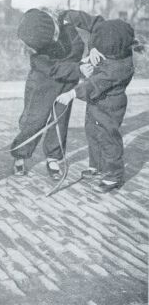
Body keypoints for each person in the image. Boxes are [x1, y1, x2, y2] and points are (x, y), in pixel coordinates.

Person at [56, 10, 140, 193]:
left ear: (112, 49)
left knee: (109, 139)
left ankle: (113, 175)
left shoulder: (118, 68)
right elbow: (96, 32)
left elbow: (94, 84)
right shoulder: (115, 46)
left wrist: (71, 94)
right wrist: (92, 52)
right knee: (93, 134)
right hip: (96, 106)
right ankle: (97, 166)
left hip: (110, 108)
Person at [11, 8, 93, 177]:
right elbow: (53, 69)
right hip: (42, 82)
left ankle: (53, 157)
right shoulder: (35, 48)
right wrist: (77, 68)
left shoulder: (66, 25)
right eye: (51, 40)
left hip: (66, 81)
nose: (56, 38)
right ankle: (20, 154)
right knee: (34, 120)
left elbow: (78, 47)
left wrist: (82, 62)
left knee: (59, 120)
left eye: (56, 33)